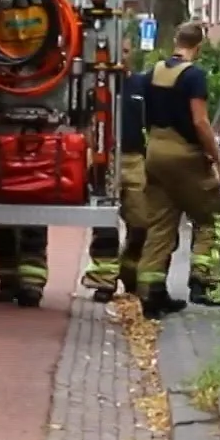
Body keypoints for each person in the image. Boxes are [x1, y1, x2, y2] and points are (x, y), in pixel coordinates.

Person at [137, 20, 220, 318]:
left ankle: (151, 293)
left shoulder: (153, 73)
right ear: (199, 46)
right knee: (211, 218)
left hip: (155, 151)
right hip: (185, 154)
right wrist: (218, 161)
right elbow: (200, 121)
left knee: (161, 223)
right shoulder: (194, 76)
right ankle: (202, 283)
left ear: (175, 41)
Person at [81, 50, 152, 302]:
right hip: (105, 159)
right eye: (115, 52)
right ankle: (104, 281)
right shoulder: (96, 86)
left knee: (142, 222)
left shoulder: (141, 85)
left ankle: (130, 270)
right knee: (104, 225)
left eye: (124, 51)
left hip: (135, 160)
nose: (120, 57)